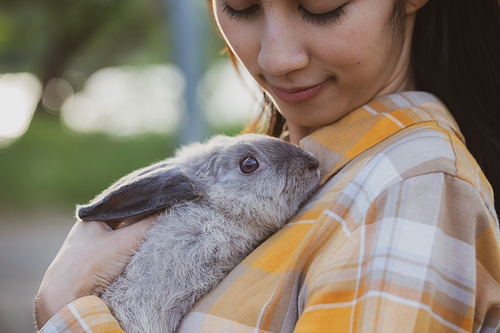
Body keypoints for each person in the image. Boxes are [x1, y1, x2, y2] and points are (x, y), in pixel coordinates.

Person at [35, 0, 500, 332]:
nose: (276, 58)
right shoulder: (304, 169)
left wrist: (67, 309)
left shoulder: (413, 191)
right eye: (240, 6)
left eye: (320, 7)